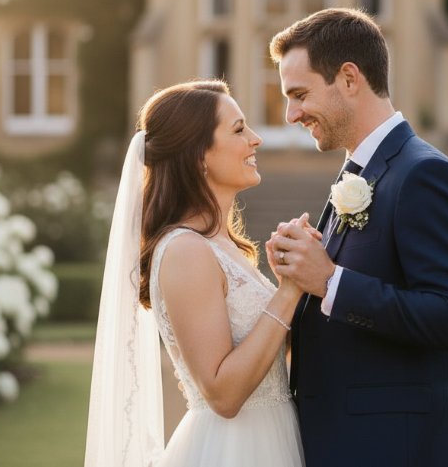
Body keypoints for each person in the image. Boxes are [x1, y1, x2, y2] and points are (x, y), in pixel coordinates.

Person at [266, 8, 448, 466]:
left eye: (299, 94)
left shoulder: (423, 174)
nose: (290, 114)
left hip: (393, 448)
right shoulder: (359, 171)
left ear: (348, 78)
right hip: (346, 441)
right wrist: (299, 278)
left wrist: (329, 282)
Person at [84, 79, 307, 467]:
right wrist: (288, 292)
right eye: (238, 129)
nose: (256, 139)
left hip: (271, 437)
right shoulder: (186, 250)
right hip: (234, 451)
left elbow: (265, 357)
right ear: (199, 155)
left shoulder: (226, 248)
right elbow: (223, 395)